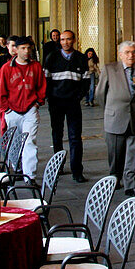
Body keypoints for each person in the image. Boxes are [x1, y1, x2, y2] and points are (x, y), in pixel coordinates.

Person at [94, 41, 135, 198]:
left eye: (133, 52)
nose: (130, 55)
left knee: (134, 153)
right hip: (115, 118)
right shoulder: (109, 69)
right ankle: (114, 179)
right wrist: (111, 109)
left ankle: (131, 184)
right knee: (115, 153)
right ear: (120, 55)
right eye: (127, 52)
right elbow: (100, 94)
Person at [0, 36, 46, 180]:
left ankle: (30, 176)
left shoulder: (35, 66)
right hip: (12, 111)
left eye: (28, 48)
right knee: (15, 142)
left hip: (30, 109)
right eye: (23, 48)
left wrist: (37, 103)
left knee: (30, 142)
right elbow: (0, 90)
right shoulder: (6, 68)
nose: (26, 51)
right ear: (16, 50)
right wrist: (6, 109)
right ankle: (16, 168)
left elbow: (41, 85)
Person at [44, 30, 90, 182]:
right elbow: (46, 80)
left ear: (74, 40)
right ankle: (58, 167)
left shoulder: (81, 58)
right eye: (62, 39)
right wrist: (50, 97)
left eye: (68, 39)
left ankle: (77, 171)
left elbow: (86, 81)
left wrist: (78, 96)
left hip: (73, 103)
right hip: (56, 102)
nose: (65, 42)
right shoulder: (52, 57)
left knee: (75, 137)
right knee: (57, 135)